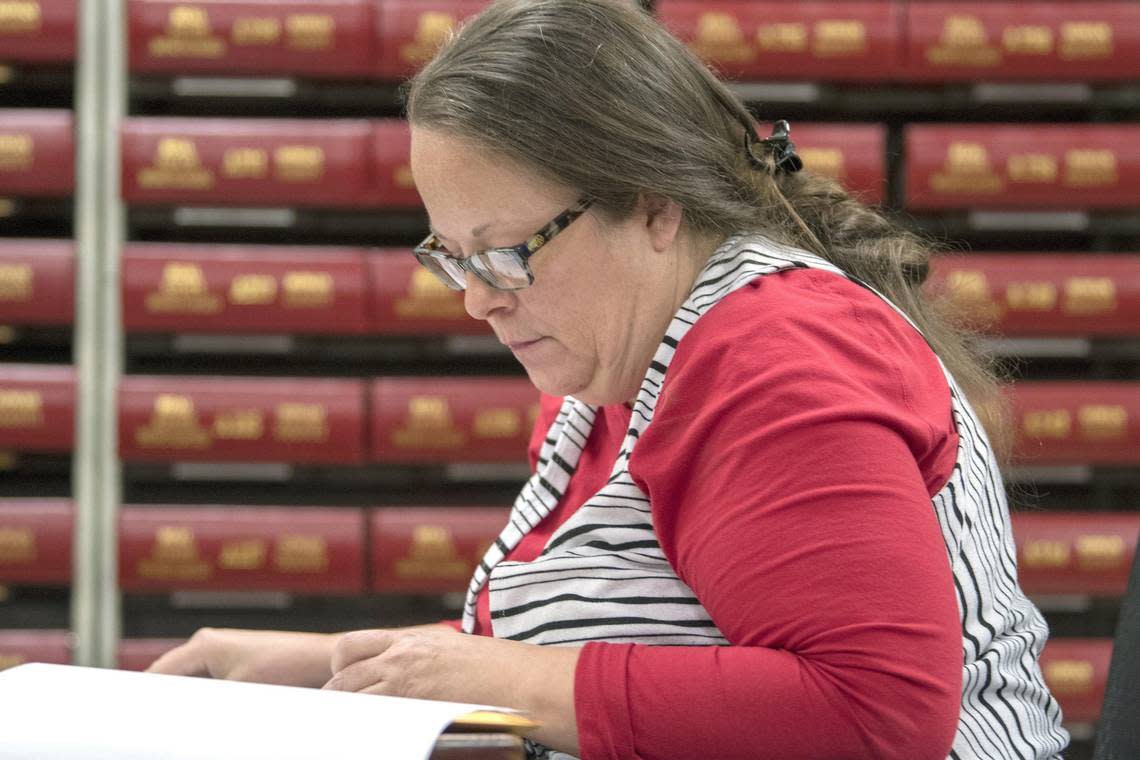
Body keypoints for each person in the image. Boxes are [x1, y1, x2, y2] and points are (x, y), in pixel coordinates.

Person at [148, 1, 1071, 758]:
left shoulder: (778, 359)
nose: (477, 301)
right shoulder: (607, 362)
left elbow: (875, 715)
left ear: (653, 208)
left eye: (507, 252)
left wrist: (490, 677)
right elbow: (628, 653)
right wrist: (332, 666)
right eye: (452, 256)